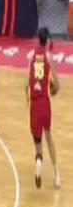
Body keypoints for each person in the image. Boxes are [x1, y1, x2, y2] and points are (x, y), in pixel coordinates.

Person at [26, 28, 61, 188]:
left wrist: (28, 99)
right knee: (49, 138)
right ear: (46, 41)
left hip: (34, 104)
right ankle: (57, 175)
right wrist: (51, 91)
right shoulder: (48, 57)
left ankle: (39, 163)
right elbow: (57, 86)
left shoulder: (31, 56)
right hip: (45, 103)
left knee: (38, 144)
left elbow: (26, 84)